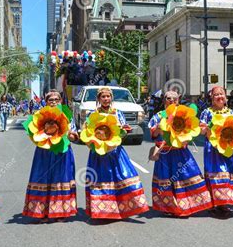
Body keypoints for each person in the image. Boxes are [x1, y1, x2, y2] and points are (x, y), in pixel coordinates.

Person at [84, 87, 149, 219]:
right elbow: (86, 132)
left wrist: (125, 130)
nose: (106, 99)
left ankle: (124, 207)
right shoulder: (92, 114)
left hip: (116, 151)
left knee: (123, 177)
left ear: (111, 98)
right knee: (101, 180)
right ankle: (102, 211)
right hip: (99, 152)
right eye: (103, 97)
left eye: (108, 96)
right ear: (98, 99)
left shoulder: (118, 113)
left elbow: (122, 131)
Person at [149, 90, 212, 217]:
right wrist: (158, 129)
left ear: (178, 100)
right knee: (166, 181)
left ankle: (185, 205)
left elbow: (194, 129)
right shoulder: (158, 116)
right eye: (168, 98)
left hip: (181, 152)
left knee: (186, 177)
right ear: (163, 101)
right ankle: (170, 207)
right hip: (165, 153)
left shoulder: (185, 114)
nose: (172, 101)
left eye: (175, 99)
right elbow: (153, 134)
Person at [22, 90, 78, 222]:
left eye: (56, 99)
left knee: (61, 180)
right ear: (45, 102)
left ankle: (60, 212)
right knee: (43, 180)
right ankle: (41, 212)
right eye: (50, 100)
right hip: (44, 152)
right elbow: (33, 132)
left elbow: (73, 134)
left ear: (60, 101)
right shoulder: (39, 115)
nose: (53, 102)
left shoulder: (67, 114)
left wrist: (72, 135)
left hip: (62, 152)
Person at [200, 86, 233, 216]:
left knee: (228, 174)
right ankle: (216, 202)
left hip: (229, 148)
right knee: (217, 174)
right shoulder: (207, 112)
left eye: (222, 94)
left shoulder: (231, 112)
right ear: (212, 98)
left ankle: (224, 202)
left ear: (226, 97)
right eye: (216, 94)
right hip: (213, 149)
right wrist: (207, 128)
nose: (219, 96)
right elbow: (201, 129)